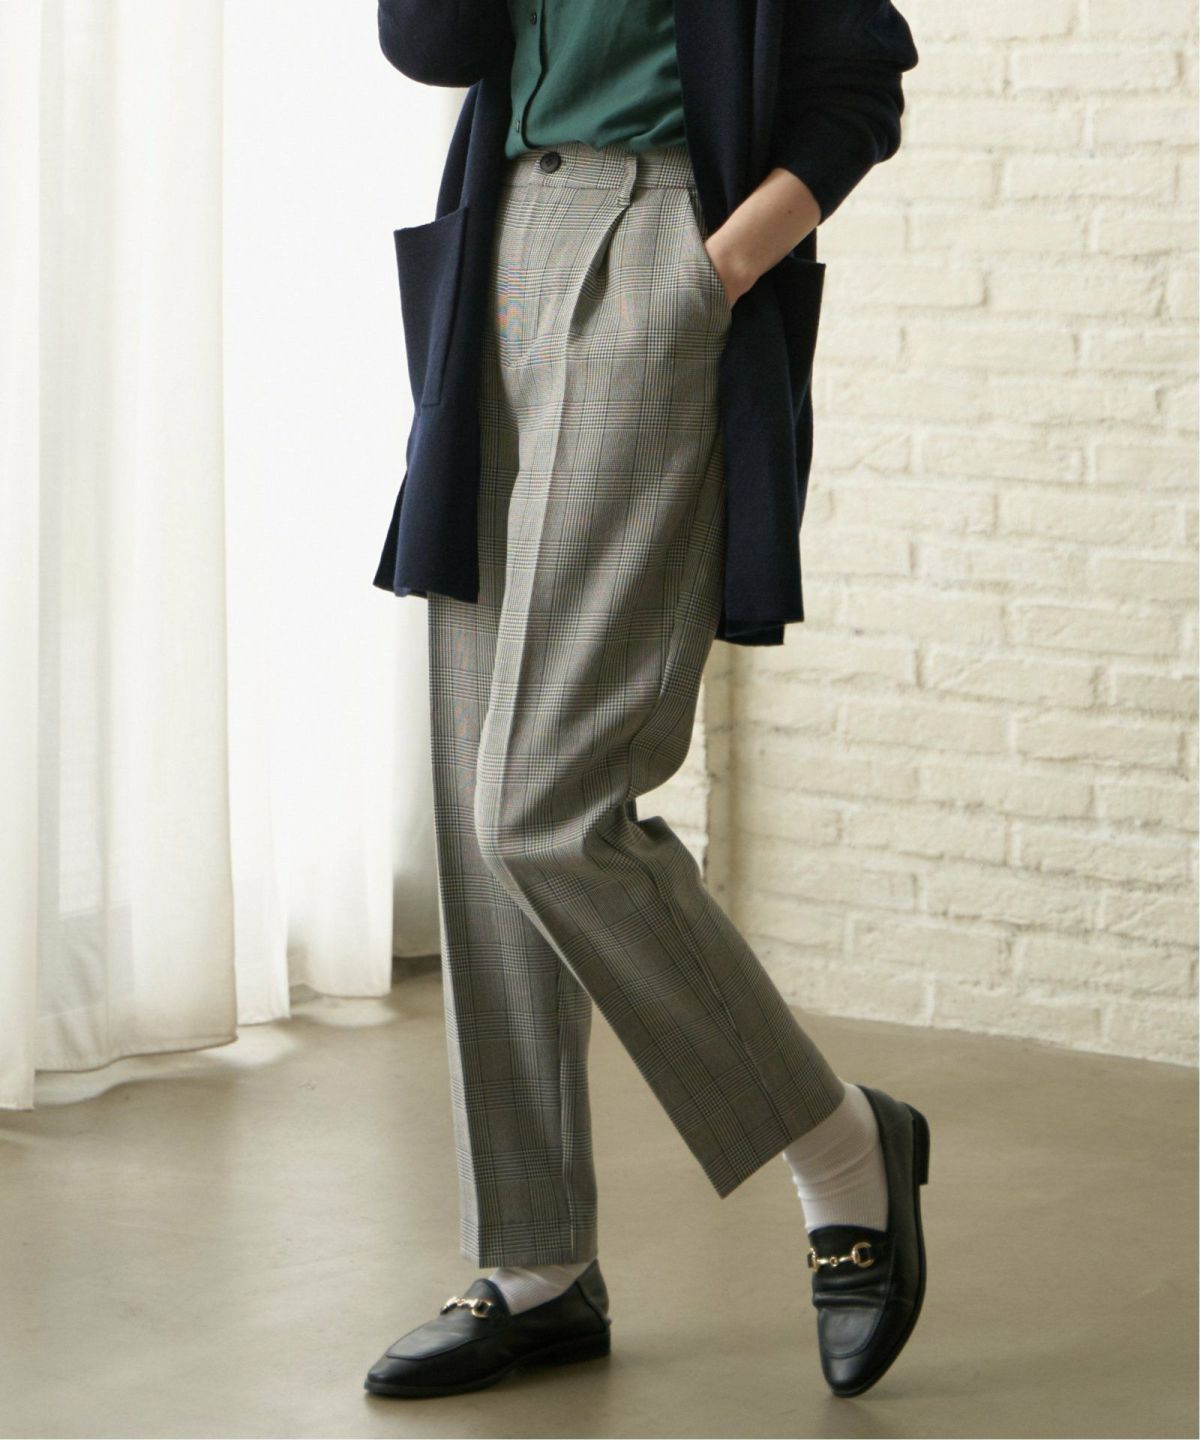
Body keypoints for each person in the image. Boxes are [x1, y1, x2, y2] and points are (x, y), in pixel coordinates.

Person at [364, 0, 927, 1402]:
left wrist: (711, 271)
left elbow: (860, 89)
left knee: (541, 804)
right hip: (500, 242)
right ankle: (535, 1265)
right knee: (480, 786)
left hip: (661, 246)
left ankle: (843, 1148)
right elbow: (428, 45)